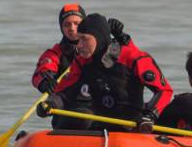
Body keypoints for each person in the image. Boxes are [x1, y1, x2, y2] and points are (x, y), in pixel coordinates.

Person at [37, 13, 173, 133]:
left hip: (130, 127)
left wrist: (150, 116)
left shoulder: (133, 58)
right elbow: (65, 92)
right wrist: (51, 104)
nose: (79, 45)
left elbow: (164, 90)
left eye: (84, 39)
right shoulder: (82, 62)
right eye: (79, 39)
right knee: (67, 119)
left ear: (98, 37)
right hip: (100, 126)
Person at [31, 3, 87, 95]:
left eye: (76, 23)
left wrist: (119, 37)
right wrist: (45, 82)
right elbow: (40, 74)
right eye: (67, 24)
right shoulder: (54, 54)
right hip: (65, 101)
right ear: (61, 27)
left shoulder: (95, 48)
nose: (72, 28)